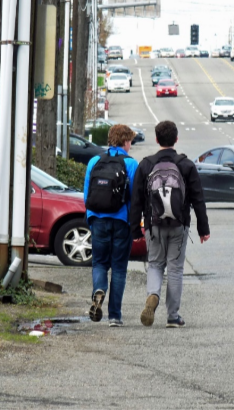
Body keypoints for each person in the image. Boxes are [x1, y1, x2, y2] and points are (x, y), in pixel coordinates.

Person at [130, 121, 210, 328]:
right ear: (176, 139)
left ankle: (153, 295)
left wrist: (135, 229)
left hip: (153, 225)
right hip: (179, 224)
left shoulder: (146, 164)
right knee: (175, 268)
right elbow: (198, 199)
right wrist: (203, 229)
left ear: (156, 139)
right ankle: (173, 316)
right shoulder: (186, 165)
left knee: (155, 264)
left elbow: (136, 199)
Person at [84, 124, 138, 327]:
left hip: (98, 220)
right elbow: (135, 198)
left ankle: (99, 290)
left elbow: (87, 194)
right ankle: (114, 316)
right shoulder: (131, 164)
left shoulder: (94, 161)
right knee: (119, 269)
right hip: (121, 222)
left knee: (99, 263)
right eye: (130, 141)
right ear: (125, 141)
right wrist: (134, 224)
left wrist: (91, 218)